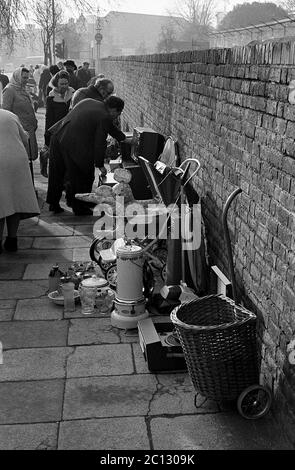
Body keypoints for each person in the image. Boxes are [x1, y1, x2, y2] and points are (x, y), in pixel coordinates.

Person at [46, 96, 127, 215]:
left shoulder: (90, 101)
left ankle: (54, 203)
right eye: (118, 113)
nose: (117, 116)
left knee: (57, 172)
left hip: (58, 136)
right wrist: (100, 165)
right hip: (73, 144)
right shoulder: (104, 116)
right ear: (114, 109)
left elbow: (109, 128)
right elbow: (100, 143)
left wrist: (123, 138)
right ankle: (79, 207)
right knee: (83, 175)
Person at [0, 109, 40, 253]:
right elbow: (25, 139)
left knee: (2, 203)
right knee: (14, 201)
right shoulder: (10, 115)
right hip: (17, 160)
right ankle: (12, 240)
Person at [41, 70, 74, 181]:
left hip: (70, 132)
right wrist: (47, 136)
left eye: (66, 83)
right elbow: (49, 118)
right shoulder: (51, 98)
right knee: (57, 160)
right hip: (57, 132)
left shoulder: (73, 95)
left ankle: (67, 181)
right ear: (56, 83)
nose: (64, 86)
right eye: (61, 84)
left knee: (68, 159)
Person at [2, 67, 38, 161]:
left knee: (29, 159)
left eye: (27, 78)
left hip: (29, 129)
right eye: (24, 78)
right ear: (17, 77)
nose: (26, 80)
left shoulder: (22, 89)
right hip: (19, 131)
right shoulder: (9, 90)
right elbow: (6, 112)